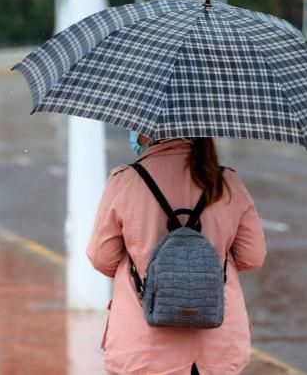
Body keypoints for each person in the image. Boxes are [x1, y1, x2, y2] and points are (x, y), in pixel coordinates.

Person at [87, 133, 266, 375]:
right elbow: (252, 256)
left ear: (145, 133)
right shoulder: (226, 181)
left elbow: (102, 258)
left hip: (145, 344)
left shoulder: (126, 180)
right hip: (216, 342)